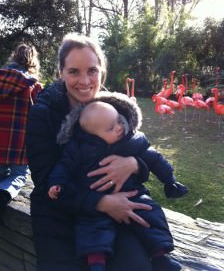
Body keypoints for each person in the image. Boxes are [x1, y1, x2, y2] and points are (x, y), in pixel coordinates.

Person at [26, 32, 156, 271]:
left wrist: (135, 165)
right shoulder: (43, 113)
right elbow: (46, 183)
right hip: (58, 216)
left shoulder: (114, 107)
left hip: (113, 217)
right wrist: (103, 202)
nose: (84, 81)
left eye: (92, 71)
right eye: (74, 71)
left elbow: (139, 149)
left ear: (101, 71)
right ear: (61, 72)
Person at [48, 98, 188, 271]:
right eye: (110, 128)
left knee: (152, 213)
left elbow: (153, 157)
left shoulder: (132, 140)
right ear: (93, 135)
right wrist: (57, 183)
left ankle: (160, 257)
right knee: (92, 229)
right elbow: (64, 166)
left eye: (118, 121)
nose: (119, 127)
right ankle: (97, 265)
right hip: (94, 199)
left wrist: (169, 179)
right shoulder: (78, 148)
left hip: (132, 194)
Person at [0, 43, 42, 211]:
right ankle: (5, 192)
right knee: (19, 175)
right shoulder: (34, 87)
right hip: (19, 151)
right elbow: (40, 120)